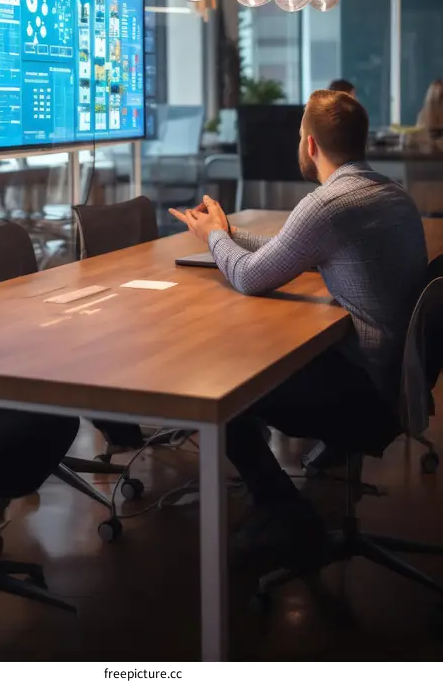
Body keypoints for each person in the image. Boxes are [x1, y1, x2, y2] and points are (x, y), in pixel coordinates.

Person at [170, 89, 427, 568]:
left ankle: (287, 516)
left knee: (225, 384)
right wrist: (224, 231)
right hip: (399, 379)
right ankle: (289, 502)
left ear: (311, 145)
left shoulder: (327, 203)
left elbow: (248, 277)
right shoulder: (389, 194)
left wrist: (214, 240)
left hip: (367, 392)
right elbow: (295, 247)